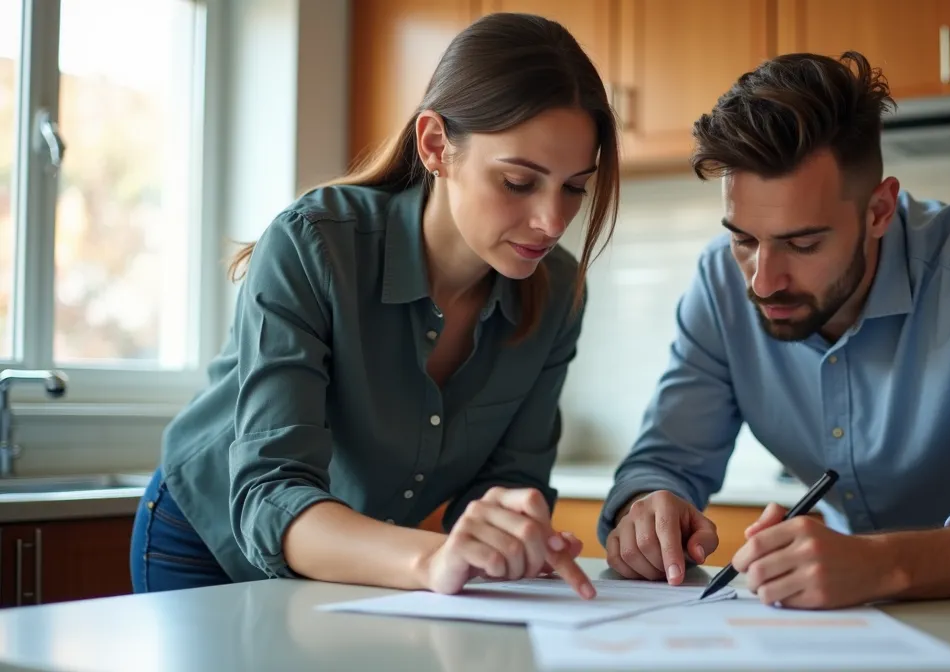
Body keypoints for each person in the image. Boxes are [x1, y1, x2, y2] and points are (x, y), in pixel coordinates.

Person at [598, 50, 950, 609]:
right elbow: (665, 462)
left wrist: (881, 563)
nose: (763, 282)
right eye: (744, 239)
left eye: (802, 243)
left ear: (879, 211)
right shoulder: (721, 282)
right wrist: (648, 507)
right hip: (849, 615)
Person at [128, 13, 617, 600]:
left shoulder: (558, 292)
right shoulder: (313, 243)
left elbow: (507, 482)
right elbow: (270, 493)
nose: (553, 221)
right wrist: (433, 559)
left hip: (363, 558)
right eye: (518, 182)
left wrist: (510, 530)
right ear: (436, 145)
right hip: (206, 539)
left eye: (573, 188)